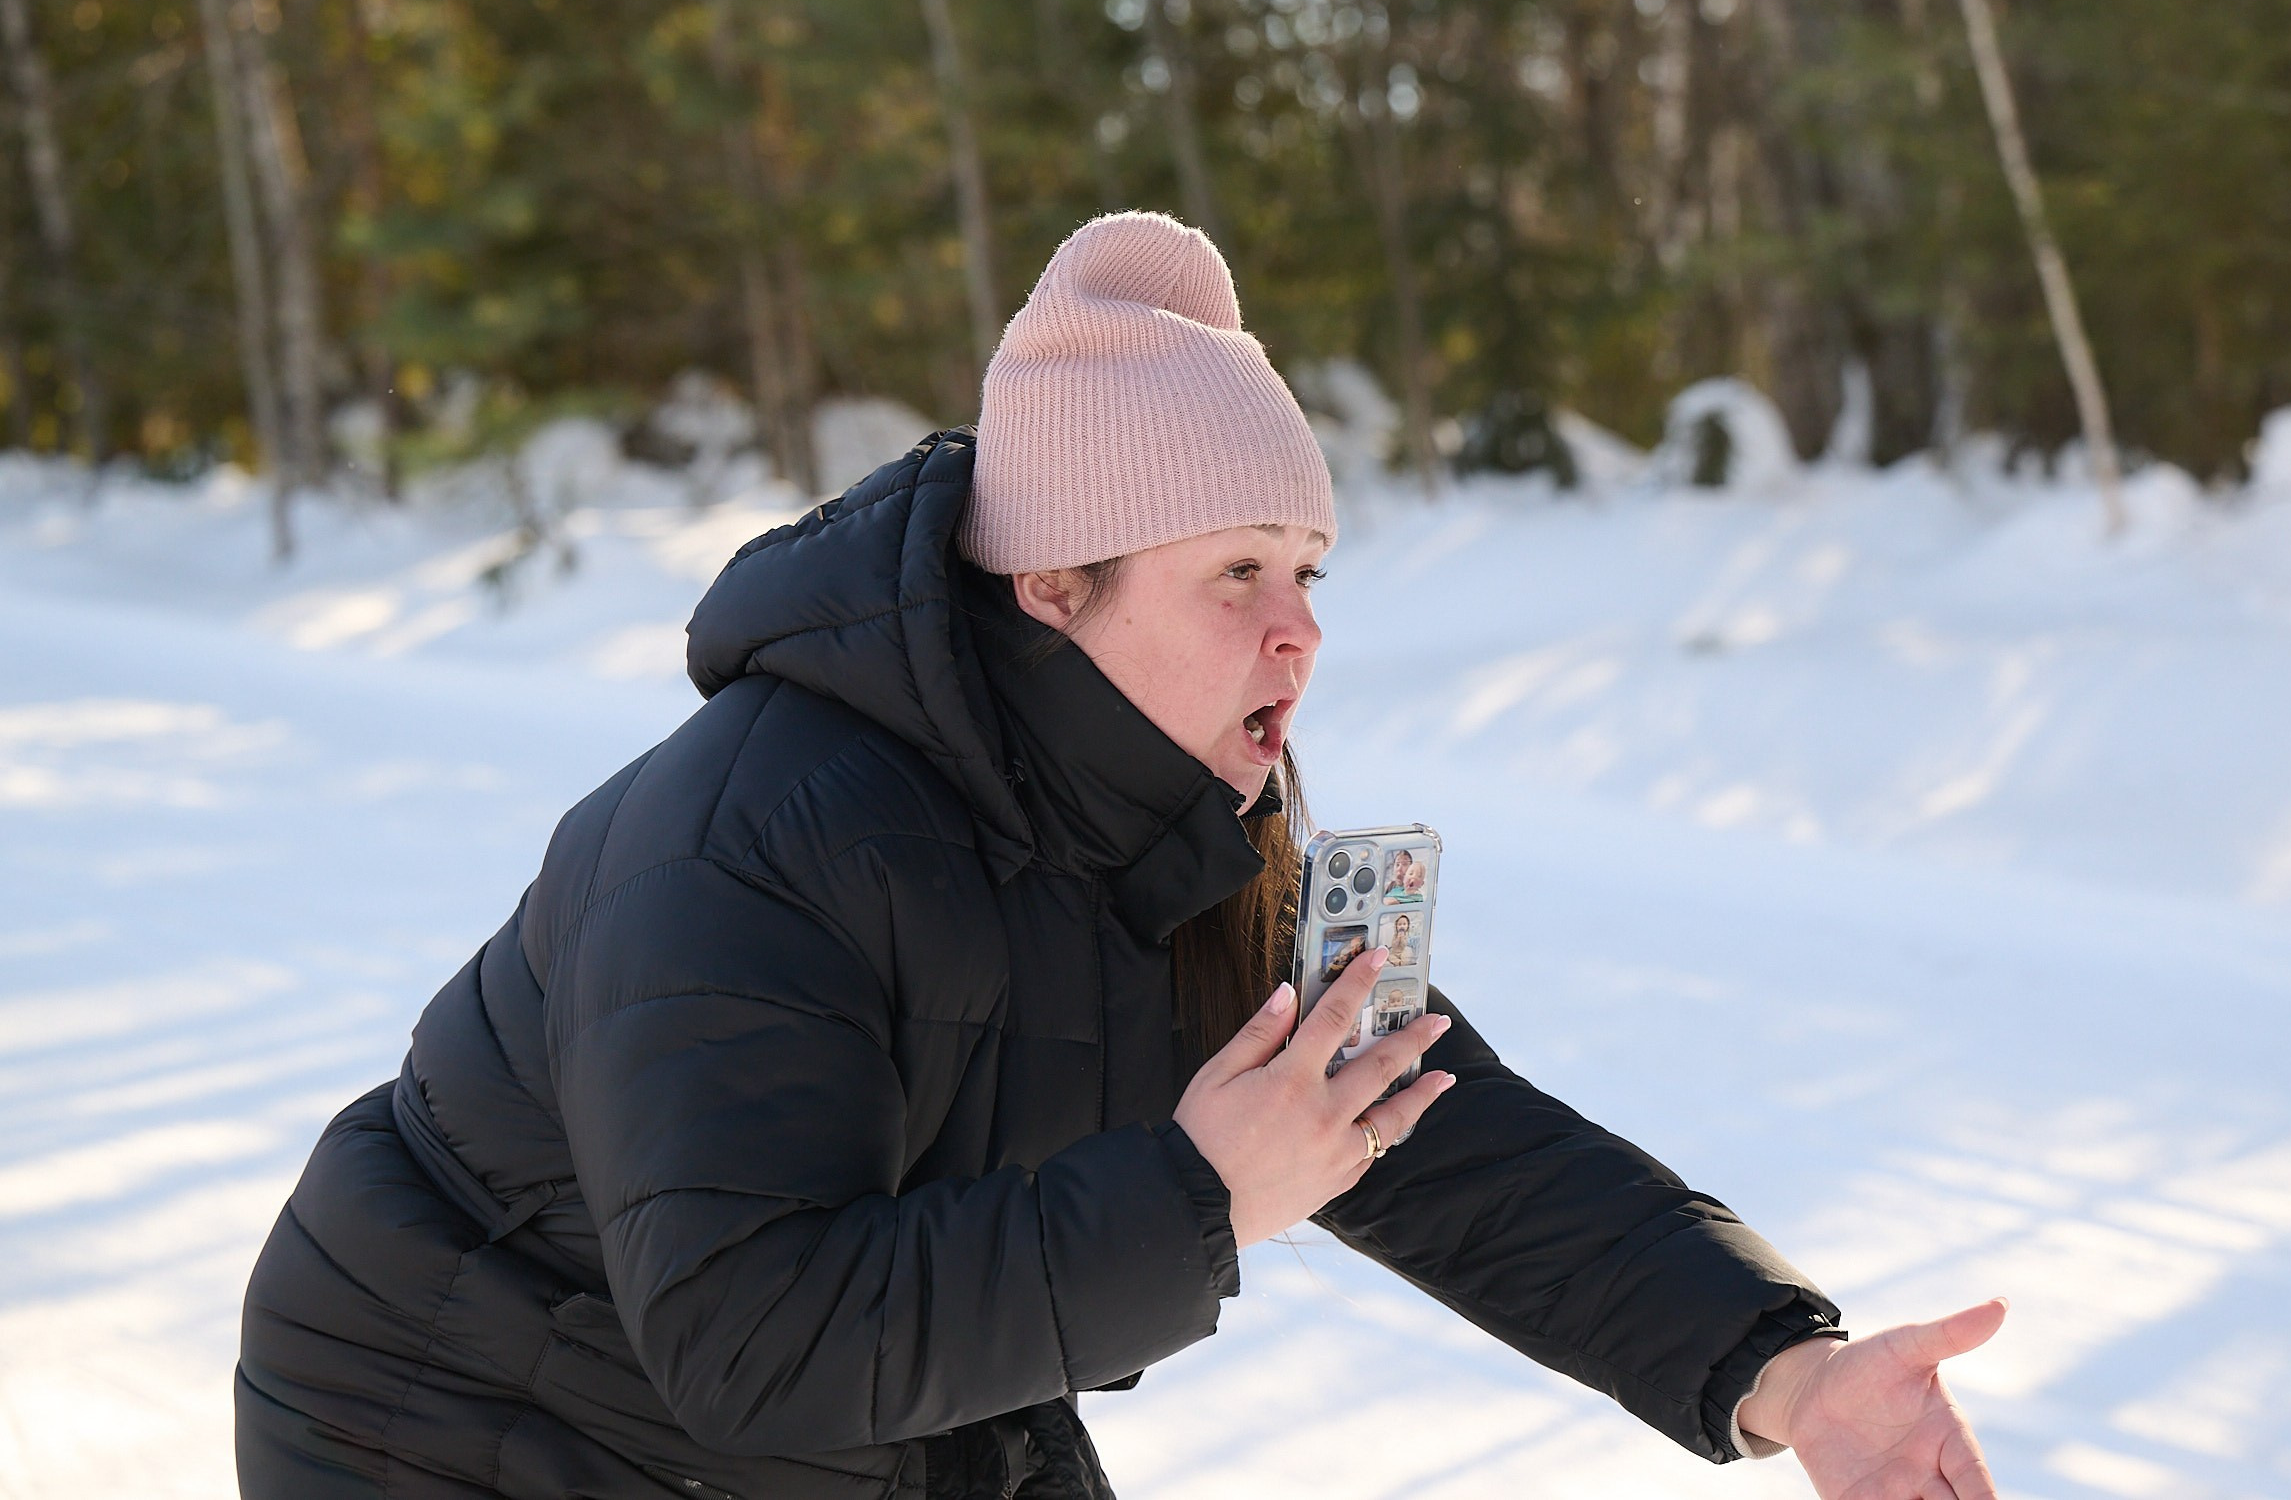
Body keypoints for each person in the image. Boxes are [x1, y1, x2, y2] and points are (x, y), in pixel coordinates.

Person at [234, 213, 2004, 1500]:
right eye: (1235, 573)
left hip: (848, 1432)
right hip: (439, 1422)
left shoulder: (1195, 828)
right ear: (1055, 591)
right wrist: (1202, 1195)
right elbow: (750, 1333)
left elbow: (1427, 1138)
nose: (1299, 632)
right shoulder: (752, 833)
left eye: (1309, 569)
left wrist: (1786, 1368)